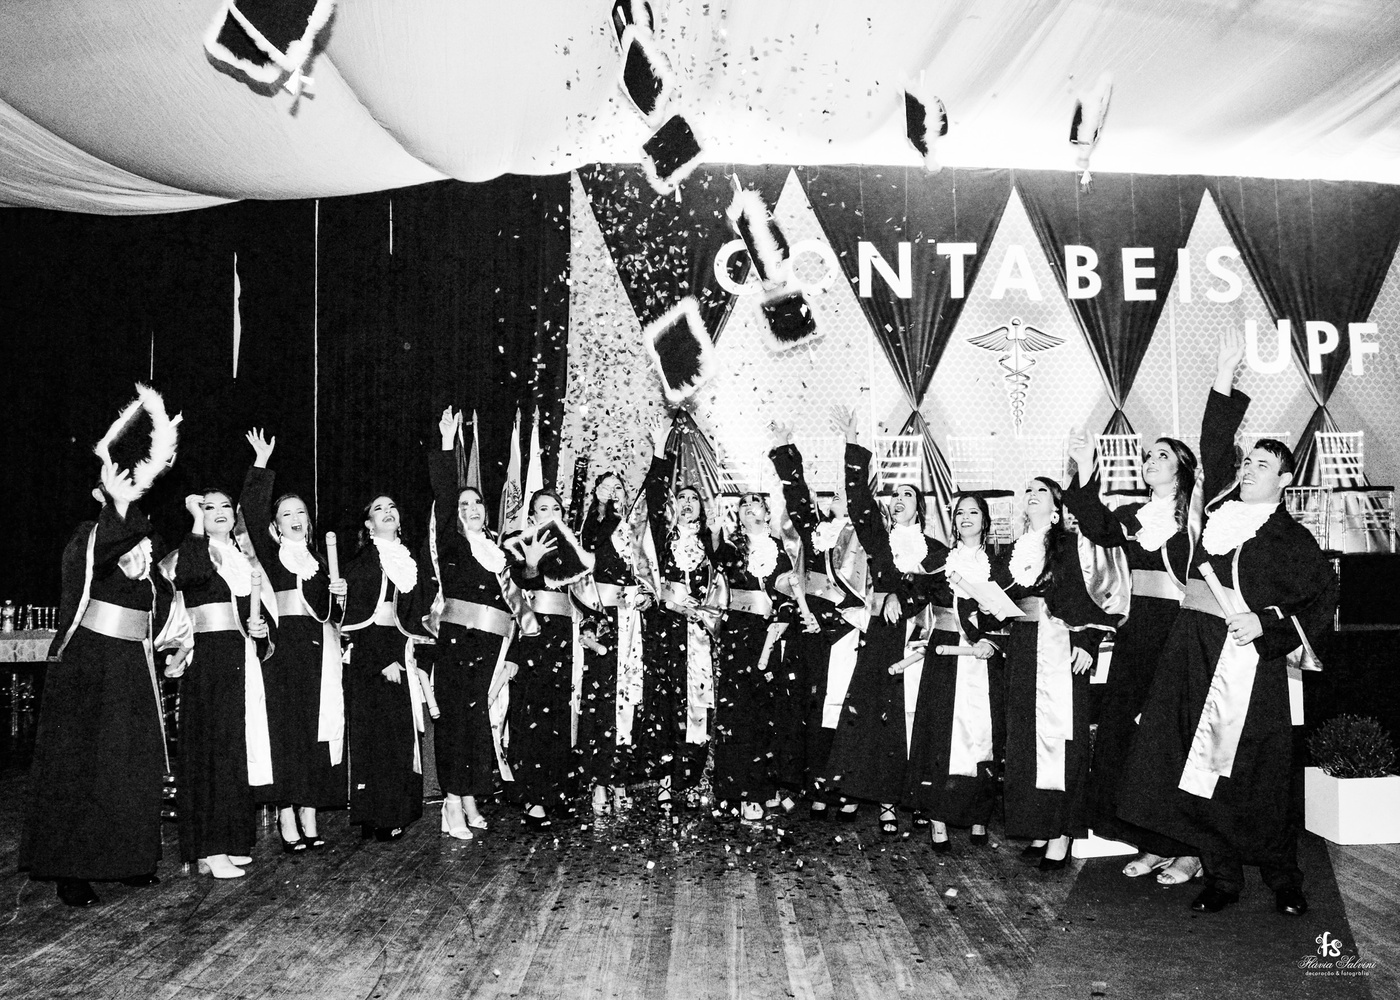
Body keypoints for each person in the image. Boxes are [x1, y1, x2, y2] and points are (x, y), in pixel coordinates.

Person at [1117, 328, 1338, 916]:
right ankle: (1221, 875)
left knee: (1257, 769)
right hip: (1191, 647)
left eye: (1264, 464)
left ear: (1285, 479)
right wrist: (1222, 375)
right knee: (1192, 762)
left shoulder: (1290, 537)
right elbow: (1214, 443)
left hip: (1246, 656)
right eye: (1248, 462)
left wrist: (1267, 626)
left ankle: (1283, 876)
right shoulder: (1217, 507)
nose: (1250, 469)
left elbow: (1323, 596)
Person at [21, 386, 186, 906]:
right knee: (84, 767)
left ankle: (129, 859)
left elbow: (161, 601)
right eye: (113, 491)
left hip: (133, 666)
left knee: (132, 765)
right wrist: (117, 505)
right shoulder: (87, 537)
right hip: (90, 666)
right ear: (99, 494)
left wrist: (176, 642)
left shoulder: (147, 549)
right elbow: (97, 560)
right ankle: (71, 869)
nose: (127, 495)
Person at [1063, 428, 1202, 884]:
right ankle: (1152, 841)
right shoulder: (1132, 516)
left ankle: (1188, 849)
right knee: (1130, 736)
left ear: (1181, 470)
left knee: (1174, 736)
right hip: (1137, 631)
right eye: (1148, 455)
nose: (1150, 461)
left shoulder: (1198, 518)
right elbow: (1094, 523)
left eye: (1162, 455)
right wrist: (1087, 464)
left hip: (1179, 631)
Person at [825, 406, 948, 836]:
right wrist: (852, 443)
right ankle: (855, 788)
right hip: (879, 633)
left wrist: (904, 596)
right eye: (895, 494)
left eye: (908, 495)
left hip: (913, 638)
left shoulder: (935, 550)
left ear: (920, 508)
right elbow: (859, 501)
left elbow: (939, 592)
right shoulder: (879, 538)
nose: (899, 499)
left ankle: (891, 800)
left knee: (902, 717)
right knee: (864, 710)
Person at [995, 476, 1118, 871]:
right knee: (1025, 738)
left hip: (1061, 645)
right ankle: (1039, 824)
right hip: (1023, 645)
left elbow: (1093, 593)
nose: (1032, 495)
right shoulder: (1014, 549)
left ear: (1056, 506)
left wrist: (1088, 642)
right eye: (1028, 490)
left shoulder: (1070, 544)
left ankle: (1062, 831)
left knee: (1061, 737)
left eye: (1041, 491)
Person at [428, 407, 539, 839]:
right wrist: (446, 445)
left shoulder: (499, 550)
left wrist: (515, 652)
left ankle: (469, 796)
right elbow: (443, 494)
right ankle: (451, 802)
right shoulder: (453, 543)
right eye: (464, 504)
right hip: (458, 642)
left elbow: (518, 600)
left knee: (476, 724)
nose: (472, 508)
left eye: (477, 503)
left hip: (492, 646)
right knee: (456, 722)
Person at [242, 429, 348, 852]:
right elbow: (251, 512)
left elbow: (333, 617)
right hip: (282, 654)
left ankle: (309, 810)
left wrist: (339, 597)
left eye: (301, 511)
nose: (296, 517)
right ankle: (286, 811)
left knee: (313, 733)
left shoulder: (321, 562)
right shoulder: (271, 557)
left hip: (318, 655)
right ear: (276, 524)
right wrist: (260, 465)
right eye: (287, 513)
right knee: (284, 733)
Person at [165, 488, 270, 878]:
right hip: (209, 660)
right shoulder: (195, 551)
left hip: (238, 656)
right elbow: (190, 577)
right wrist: (196, 520)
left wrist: (259, 629)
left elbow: (248, 613)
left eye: (226, 505)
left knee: (234, 749)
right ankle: (210, 850)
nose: (220, 511)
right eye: (209, 507)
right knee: (212, 751)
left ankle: (231, 841)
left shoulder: (241, 557)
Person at [767, 428, 868, 819]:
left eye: (845, 493)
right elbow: (797, 497)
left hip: (843, 631)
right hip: (808, 627)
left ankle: (838, 785)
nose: (837, 496)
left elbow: (863, 591)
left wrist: (851, 439)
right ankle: (810, 785)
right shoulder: (817, 532)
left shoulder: (866, 536)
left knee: (838, 708)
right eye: (834, 493)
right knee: (806, 706)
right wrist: (785, 448)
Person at [904, 492, 1005, 852]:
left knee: (984, 732)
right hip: (944, 652)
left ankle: (979, 813)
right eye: (960, 512)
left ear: (985, 520)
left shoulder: (1000, 564)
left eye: (973, 512)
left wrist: (992, 640)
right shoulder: (937, 561)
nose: (966, 517)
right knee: (940, 731)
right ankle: (938, 818)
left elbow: (1010, 611)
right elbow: (913, 596)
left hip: (983, 655)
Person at [634, 416, 718, 809]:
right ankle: (666, 776)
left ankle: (692, 776)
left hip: (699, 631)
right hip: (665, 630)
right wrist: (658, 453)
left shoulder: (713, 545)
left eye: (693, 499)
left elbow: (727, 588)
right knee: (664, 701)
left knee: (697, 701)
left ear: (702, 508)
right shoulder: (663, 538)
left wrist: (705, 613)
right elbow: (653, 496)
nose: (686, 503)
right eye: (681, 498)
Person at [341, 494, 432, 842]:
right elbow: (357, 618)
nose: (387, 511)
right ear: (369, 524)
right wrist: (381, 660)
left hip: (400, 649)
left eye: (392, 506)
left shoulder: (407, 560)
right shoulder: (364, 562)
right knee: (379, 738)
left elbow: (414, 615)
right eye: (378, 509)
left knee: (397, 736)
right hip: (374, 657)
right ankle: (379, 815)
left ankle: (386, 813)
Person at [504, 489, 588, 830]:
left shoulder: (573, 549)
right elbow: (516, 591)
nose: (550, 513)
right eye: (543, 508)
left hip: (567, 638)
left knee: (562, 714)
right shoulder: (518, 546)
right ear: (532, 515)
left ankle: (559, 792)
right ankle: (534, 797)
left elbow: (584, 595)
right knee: (533, 714)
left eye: (556, 508)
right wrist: (532, 563)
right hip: (535, 637)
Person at [710, 490, 793, 821]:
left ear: (767, 513)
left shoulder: (782, 552)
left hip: (767, 635)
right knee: (735, 712)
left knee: (764, 711)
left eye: (755, 502)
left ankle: (761, 789)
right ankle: (734, 791)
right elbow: (714, 577)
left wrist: (782, 621)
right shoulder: (730, 549)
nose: (748, 507)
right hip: (736, 634)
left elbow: (789, 596)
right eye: (742, 504)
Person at [577, 472, 641, 815]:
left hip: (632, 620)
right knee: (601, 700)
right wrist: (602, 509)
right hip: (603, 619)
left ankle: (620, 777)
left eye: (619, 487)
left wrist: (646, 596)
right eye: (606, 487)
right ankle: (599, 779)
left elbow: (645, 573)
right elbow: (585, 563)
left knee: (628, 699)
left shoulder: (635, 530)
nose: (613, 492)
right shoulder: (592, 527)